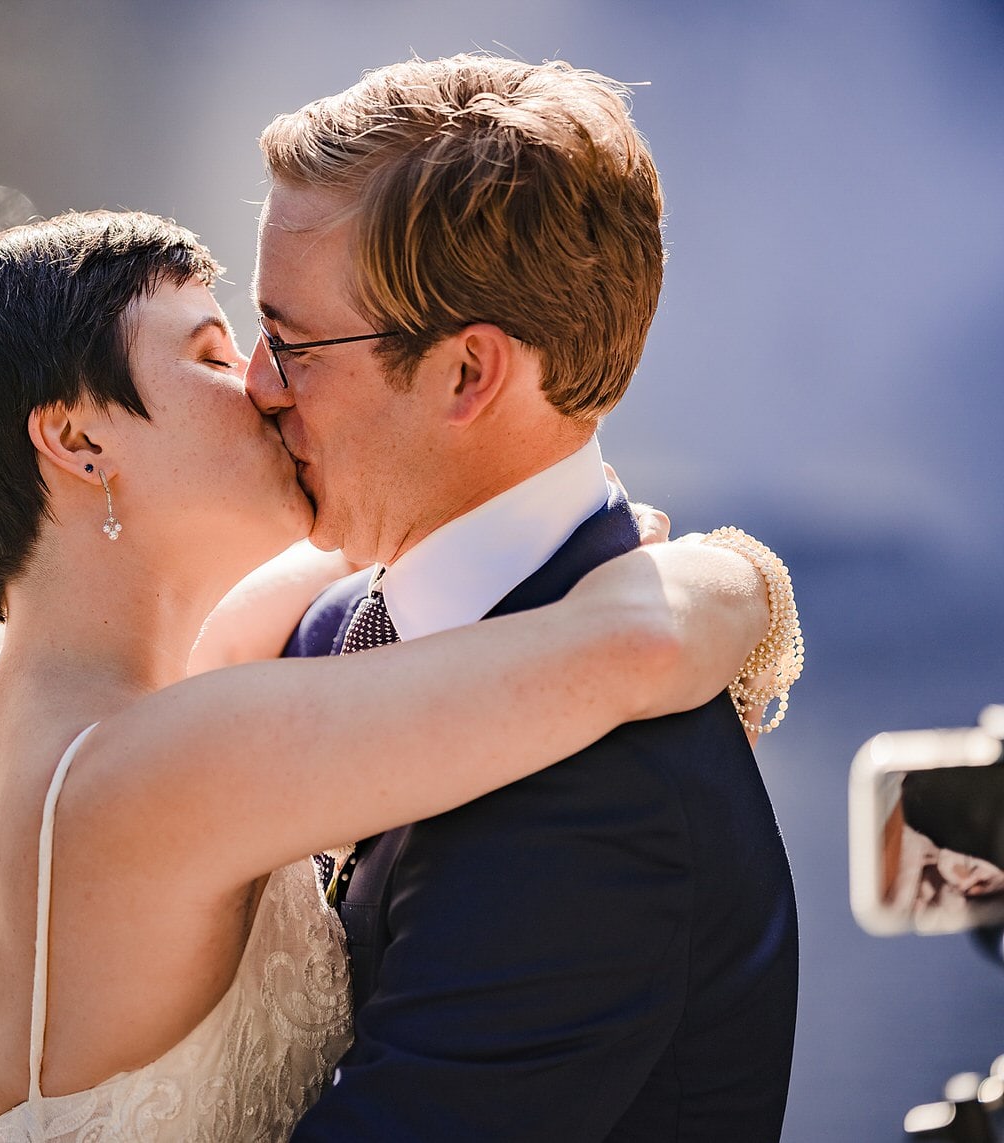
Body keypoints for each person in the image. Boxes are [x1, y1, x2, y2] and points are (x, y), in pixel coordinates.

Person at [0, 210, 791, 1142]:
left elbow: (301, 593)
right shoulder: (155, 768)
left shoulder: (49, 717)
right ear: (78, 442)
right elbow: (640, 647)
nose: (264, 385)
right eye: (207, 355)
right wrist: (743, 574)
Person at [247, 55, 801, 1139]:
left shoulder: (602, 802)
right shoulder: (328, 625)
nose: (258, 386)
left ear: (468, 374)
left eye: (291, 342)